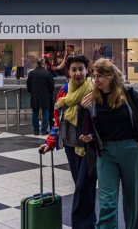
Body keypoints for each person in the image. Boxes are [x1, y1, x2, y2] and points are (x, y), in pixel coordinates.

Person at [81, 58, 138, 229]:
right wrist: (83, 113)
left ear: (111, 76)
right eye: (94, 76)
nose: (95, 80)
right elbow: (87, 126)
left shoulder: (127, 93)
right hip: (105, 153)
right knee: (107, 202)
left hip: (130, 149)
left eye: (99, 76)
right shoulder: (92, 98)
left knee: (133, 200)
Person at [39, 55, 96, 229]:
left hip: (90, 148)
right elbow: (58, 120)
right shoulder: (64, 92)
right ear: (68, 72)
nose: (78, 73)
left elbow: (102, 120)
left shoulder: (94, 90)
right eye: (74, 69)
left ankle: (80, 225)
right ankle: (90, 224)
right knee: (84, 188)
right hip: (71, 147)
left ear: (87, 71)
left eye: (81, 69)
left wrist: (93, 136)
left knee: (82, 186)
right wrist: (50, 142)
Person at [27, 58, 55, 135]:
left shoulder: (31, 73)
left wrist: (32, 92)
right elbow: (51, 87)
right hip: (46, 96)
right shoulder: (47, 73)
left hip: (34, 96)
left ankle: (36, 130)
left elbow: (28, 86)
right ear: (44, 64)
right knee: (45, 112)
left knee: (35, 113)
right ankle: (43, 130)